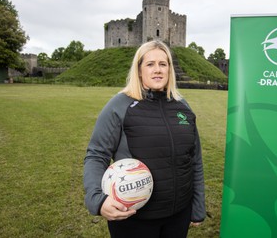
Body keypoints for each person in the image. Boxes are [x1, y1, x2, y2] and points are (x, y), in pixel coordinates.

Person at [83, 40, 206, 238]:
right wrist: (98, 199)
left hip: (178, 216)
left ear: (169, 69)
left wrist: (197, 207)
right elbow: (97, 155)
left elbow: (195, 160)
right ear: (139, 70)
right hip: (133, 220)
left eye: (163, 64)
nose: (157, 70)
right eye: (150, 64)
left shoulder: (183, 107)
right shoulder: (120, 105)